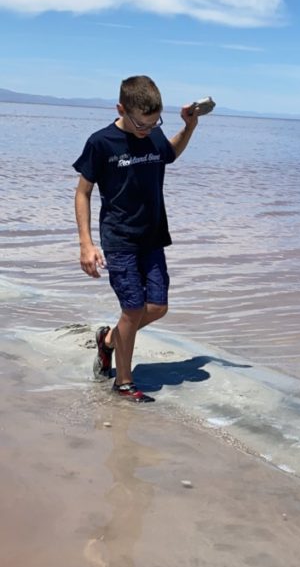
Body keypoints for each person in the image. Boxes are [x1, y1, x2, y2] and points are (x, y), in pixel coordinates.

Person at [73, 74, 209, 402]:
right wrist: (86, 244)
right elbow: (83, 192)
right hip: (119, 239)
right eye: (140, 123)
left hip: (153, 237)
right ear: (121, 108)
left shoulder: (153, 134)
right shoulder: (101, 142)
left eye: (154, 122)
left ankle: (108, 341)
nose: (147, 129)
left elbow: (170, 153)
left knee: (158, 306)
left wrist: (189, 126)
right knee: (132, 309)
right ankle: (123, 382)